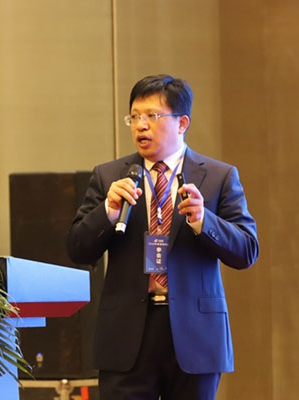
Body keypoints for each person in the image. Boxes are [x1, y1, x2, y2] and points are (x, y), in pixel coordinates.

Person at [66, 74, 259, 400]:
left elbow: (247, 250)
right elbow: (78, 249)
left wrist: (203, 221)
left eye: (152, 116)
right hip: (126, 336)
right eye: (134, 117)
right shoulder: (109, 176)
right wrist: (108, 212)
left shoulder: (218, 176)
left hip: (195, 335)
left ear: (182, 123)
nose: (140, 126)